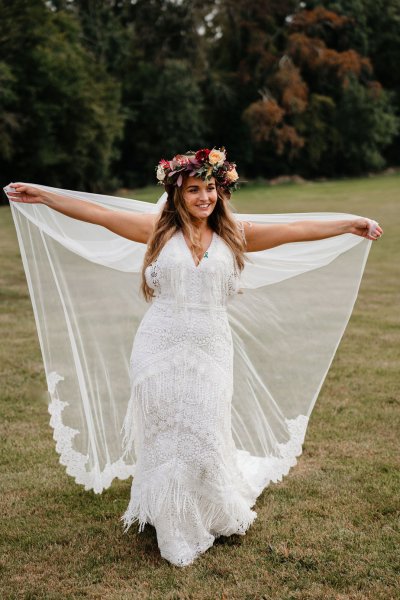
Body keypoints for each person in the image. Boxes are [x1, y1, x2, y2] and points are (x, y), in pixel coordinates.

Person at [5, 147, 382, 566]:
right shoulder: (157, 231)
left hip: (212, 346)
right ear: (177, 193)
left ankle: (206, 508)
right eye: (194, 190)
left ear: (221, 191)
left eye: (210, 189)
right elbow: (97, 214)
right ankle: (170, 518)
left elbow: (297, 228)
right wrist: (43, 195)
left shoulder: (236, 234)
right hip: (158, 344)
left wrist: (352, 222)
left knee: (203, 429)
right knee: (166, 430)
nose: (204, 198)